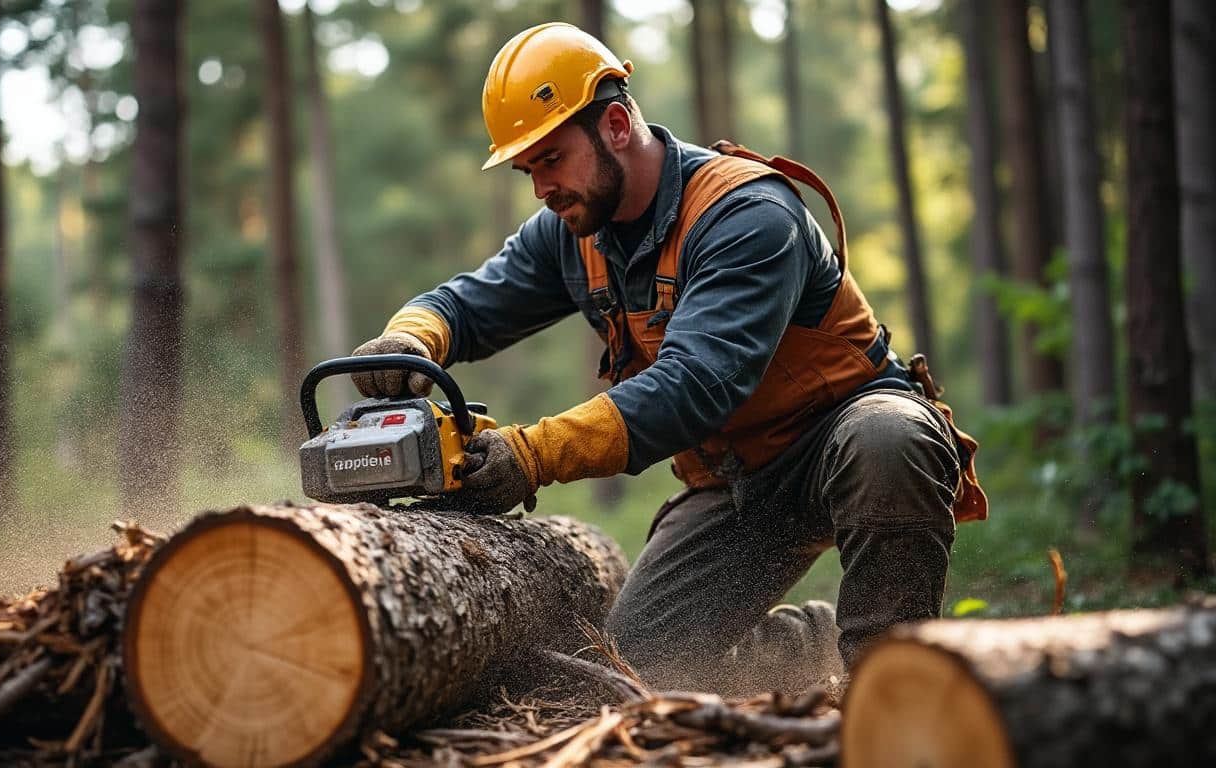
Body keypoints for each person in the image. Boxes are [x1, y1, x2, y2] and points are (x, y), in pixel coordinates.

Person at [349, 22, 986, 695]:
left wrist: (533, 454)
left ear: (617, 126)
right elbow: (469, 304)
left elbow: (694, 387)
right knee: (643, 667)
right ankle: (815, 643)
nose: (541, 187)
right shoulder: (574, 228)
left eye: (552, 159)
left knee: (891, 432)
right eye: (527, 168)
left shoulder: (748, 214)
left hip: (841, 442)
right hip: (737, 482)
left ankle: (895, 677)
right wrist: (411, 339)